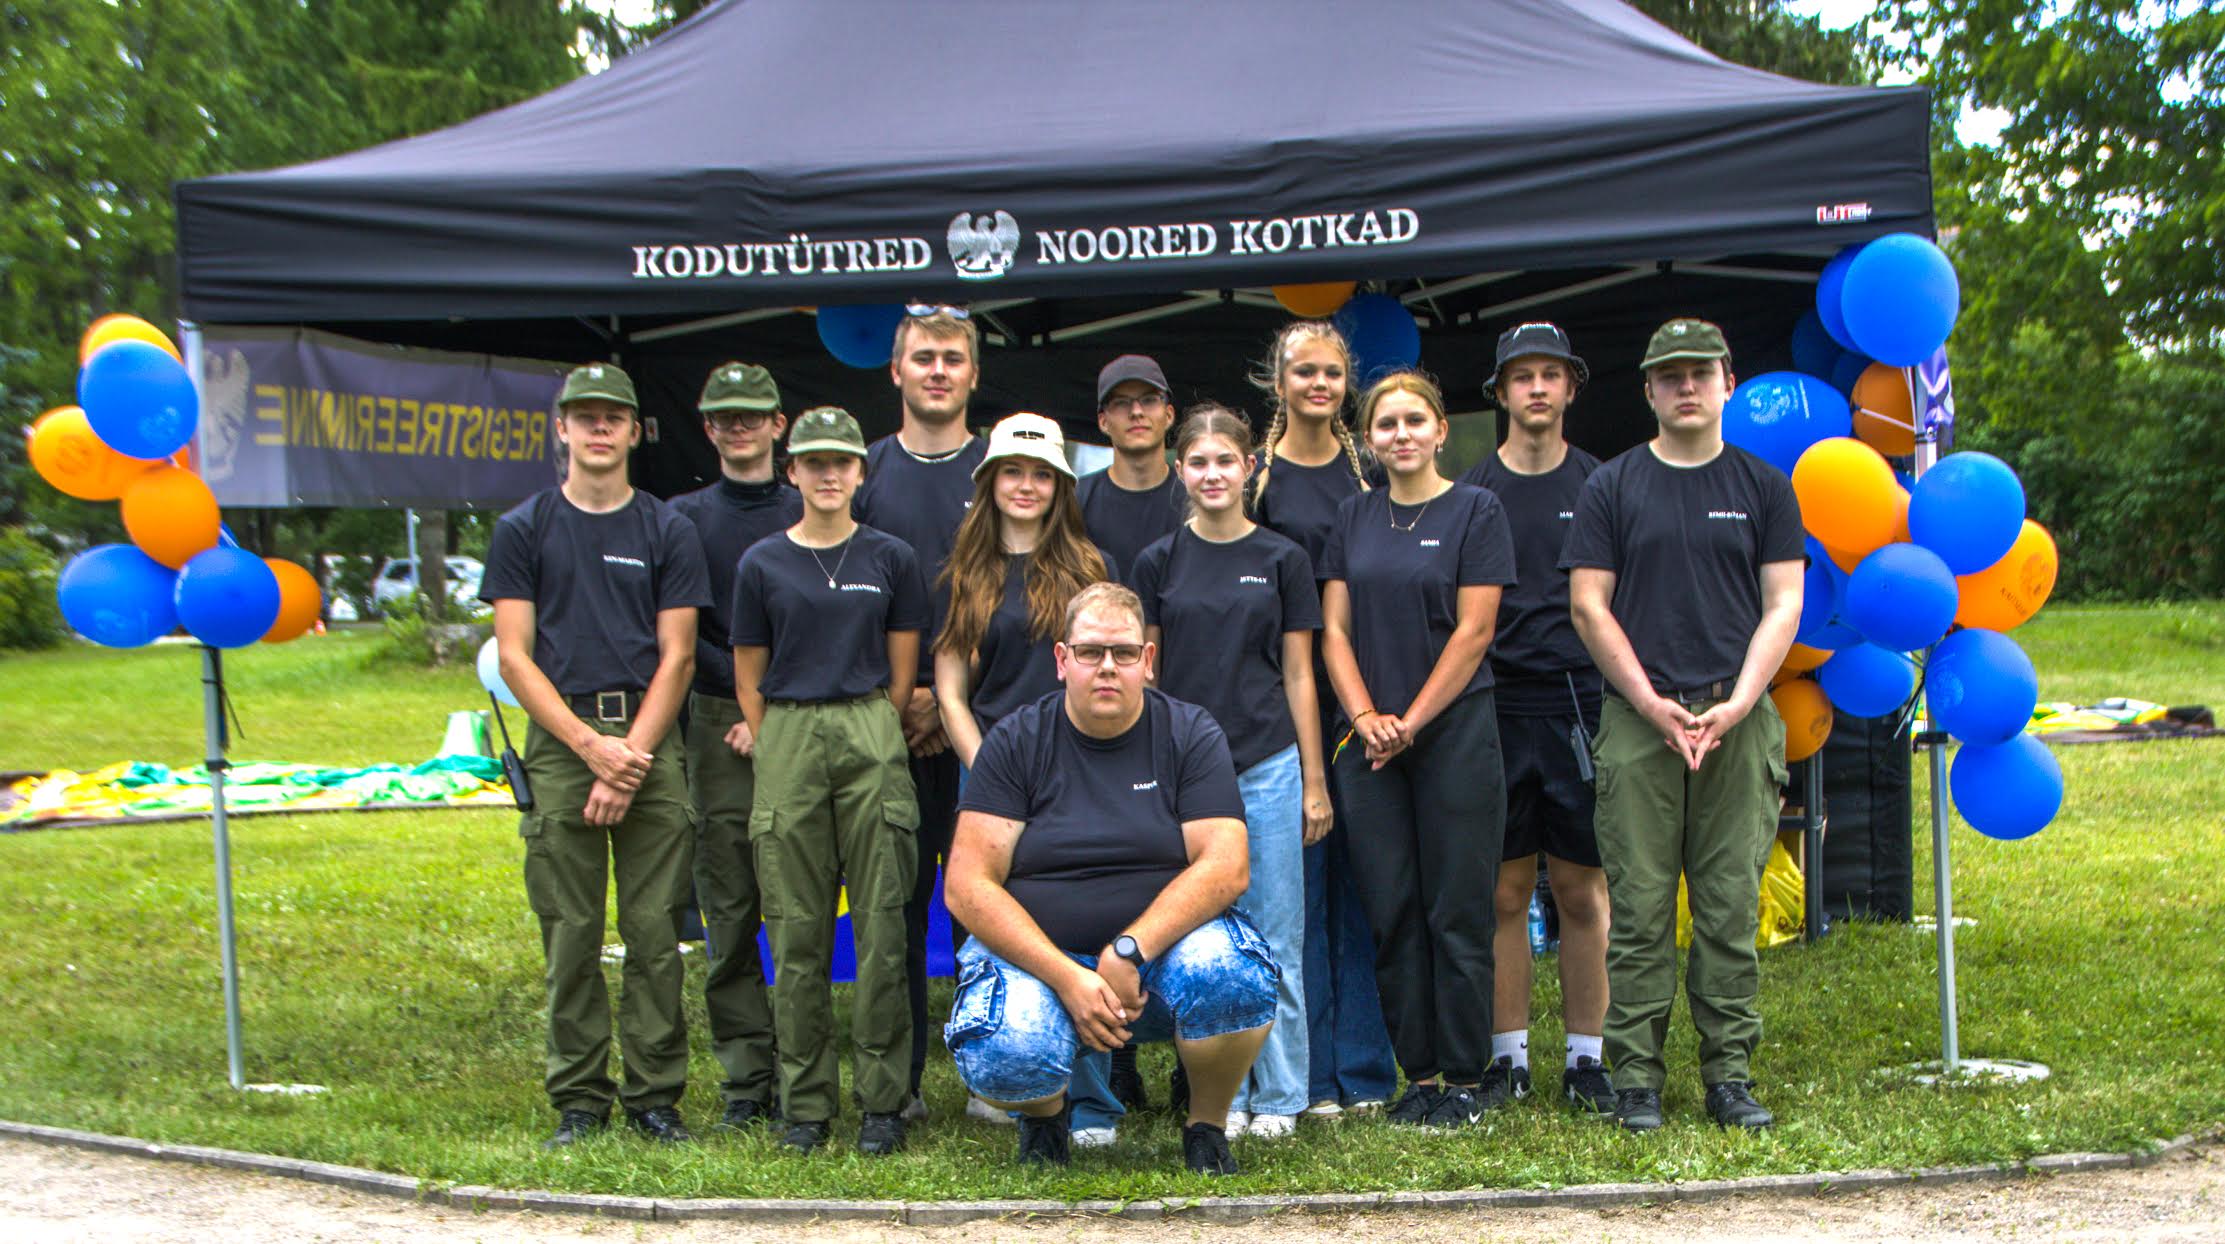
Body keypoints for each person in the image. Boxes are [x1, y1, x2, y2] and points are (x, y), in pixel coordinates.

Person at [942, 583, 1276, 1175]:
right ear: (1062, 660)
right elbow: (968, 884)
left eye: (1123, 653)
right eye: (1090, 651)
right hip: (1042, 963)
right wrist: (1069, 976)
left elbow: (1227, 866)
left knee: (1235, 980)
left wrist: (1129, 949)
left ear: (1147, 661)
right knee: (1004, 1053)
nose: (1106, 668)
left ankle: (1206, 1126)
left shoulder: (1189, 733)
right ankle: (1046, 1120)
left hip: (1158, 961)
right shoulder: (1016, 741)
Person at [1561, 318, 1804, 1133]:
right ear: (1648, 391)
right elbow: (1588, 605)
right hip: (1640, 718)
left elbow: (1784, 604)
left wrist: (1738, 700)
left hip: (1736, 718)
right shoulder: (1614, 486)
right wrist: (1646, 701)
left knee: (1728, 907)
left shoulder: (1764, 486)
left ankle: (1727, 1075)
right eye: (1669, 376)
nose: (1686, 387)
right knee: (1636, 908)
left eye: (1699, 372)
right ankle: (1635, 1081)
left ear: (1727, 380)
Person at [480, 362, 711, 1149]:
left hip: (648, 738)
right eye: (585, 416)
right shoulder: (524, 528)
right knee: (570, 933)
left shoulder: (665, 529)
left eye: (614, 415)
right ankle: (580, 1098)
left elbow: (677, 657)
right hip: (560, 741)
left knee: (655, 935)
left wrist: (630, 757)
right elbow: (514, 656)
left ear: (635, 429)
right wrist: (588, 749)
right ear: (563, 428)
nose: (599, 428)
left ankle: (655, 1098)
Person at [1319, 369, 1517, 1129]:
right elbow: (1332, 630)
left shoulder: (1476, 510)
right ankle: (1421, 1077)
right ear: (1367, 440)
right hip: (1364, 743)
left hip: (1455, 730)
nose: (1400, 434)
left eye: (1414, 420)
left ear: (1440, 429)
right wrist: (1366, 714)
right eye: (1384, 424)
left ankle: (1466, 1080)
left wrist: (1411, 719)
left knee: (1456, 909)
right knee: (1392, 911)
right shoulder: (1352, 516)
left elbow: (1474, 633)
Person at [732, 406, 930, 1155]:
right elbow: (749, 671)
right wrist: (777, 734)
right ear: (792, 471)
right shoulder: (761, 563)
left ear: (859, 472)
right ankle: (805, 1103)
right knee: (794, 923)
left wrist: (872, 722)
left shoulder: (890, 556)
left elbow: (902, 661)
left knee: (882, 920)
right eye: (811, 461)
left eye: (840, 462)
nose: (825, 474)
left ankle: (882, 1100)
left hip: (868, 723)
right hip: (786, 727)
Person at [1131, 404, 1327, 1140]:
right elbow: (1147, 680)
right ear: (1180, 471)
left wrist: (1312, 780)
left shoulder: (1283, 559)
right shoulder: (1158, 562)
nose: (1212, 474)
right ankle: (1221, 1094)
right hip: (1185, 775)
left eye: (1225, 461)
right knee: (1198, 938)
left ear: (1249, 467)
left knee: (1275, 934)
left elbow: (1301, 677)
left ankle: (1278, 1095)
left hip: (1269, 764)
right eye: (1197, 462)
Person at [1454, 324, 1614, 1116]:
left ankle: (1587, 1061)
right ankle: (1506, 1060)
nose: (1538, 389)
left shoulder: (1602, 485)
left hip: (1582, 704)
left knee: (1582, 890)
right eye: (1522, 377)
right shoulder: (1473, 493)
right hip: (1497, 703)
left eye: (1552, 374)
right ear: (1501, 393)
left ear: (1571, 388)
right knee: (1504, 892)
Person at [1247, 321, 1398, 1119]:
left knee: (1360, 889)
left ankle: (1365, 1071)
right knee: (1294, 898)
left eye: (1332, 373)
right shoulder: (1256, 482)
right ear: (1278, 383)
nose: (1318, 384)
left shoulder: (1367, 472)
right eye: (1303, 371)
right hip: (1284, 704)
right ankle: (1303, 1079)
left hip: (1364, 698)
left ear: (1346, 384)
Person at [852, 305, 990, 1120]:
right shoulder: (865, 475)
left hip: (978, 727)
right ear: (896, 372)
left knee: (984, 905)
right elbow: (847, 591)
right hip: (888, 723)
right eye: (923, 358)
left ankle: (990, 1074)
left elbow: (1009, 594)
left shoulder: (1002, 471)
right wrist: (901, 695)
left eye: (952, 359)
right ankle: (895, 1086)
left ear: (972, 376)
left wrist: (949, 700)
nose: (937, 371)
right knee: (893, 911)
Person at [668, 362, 799, 1130]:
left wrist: (777, 709)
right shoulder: (681, 518)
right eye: (725, 417)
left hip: (807, 713)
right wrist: (750, 703)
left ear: (778, 424)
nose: (740, 426)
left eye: (754, 415)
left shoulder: (812, 502)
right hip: (719, 718)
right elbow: (687, 633)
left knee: (802, 909)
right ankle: (748, 1079)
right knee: (731, 907)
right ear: (707, 426)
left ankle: (806, 1074)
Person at [934, 411, 1116, 770]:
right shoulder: (962, 575)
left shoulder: (1095, 568)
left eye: (1042, 474)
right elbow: (951, 696)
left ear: (1060, 485)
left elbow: (1113, 674)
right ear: (991, 480)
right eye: (1013, 471)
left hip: (1080, 765)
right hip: (993, 763)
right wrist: (986, 770)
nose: (1027, 486)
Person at [1076, 354, 1186, 580]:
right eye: (1121, 403)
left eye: (1148, 400)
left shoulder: (1194, 498)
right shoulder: (1076, 500)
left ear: (1168, 415)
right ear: (1103, 421)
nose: (1136, 412)